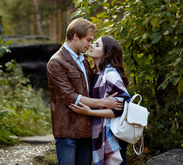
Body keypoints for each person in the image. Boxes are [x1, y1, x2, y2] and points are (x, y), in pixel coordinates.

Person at [46, 18, 124, 165]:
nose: (90, 45)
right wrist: (104, 102)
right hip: (67, 131)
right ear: (75, 36)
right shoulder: (56, 62)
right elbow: (70, 96)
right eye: (88, 40)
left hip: (87, 130)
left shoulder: (84, 61)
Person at [69, 36, 131, 165]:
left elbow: (120, 109)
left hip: (112, 134)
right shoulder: (93, 73)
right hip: (99, 131)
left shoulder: (110, 75)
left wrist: (90, 112)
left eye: (97, 45)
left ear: (107, 53)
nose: (91, 45)